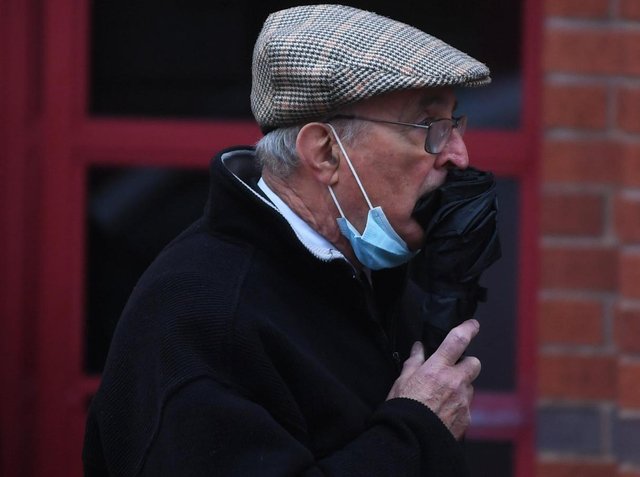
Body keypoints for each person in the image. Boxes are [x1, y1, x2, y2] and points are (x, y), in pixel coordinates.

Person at [83, 4, 493, 476]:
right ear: (323, 153)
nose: (459, 155)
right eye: (429, 129)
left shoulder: (372, 276)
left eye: (455, 124)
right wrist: (417, 432)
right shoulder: (203, 314)